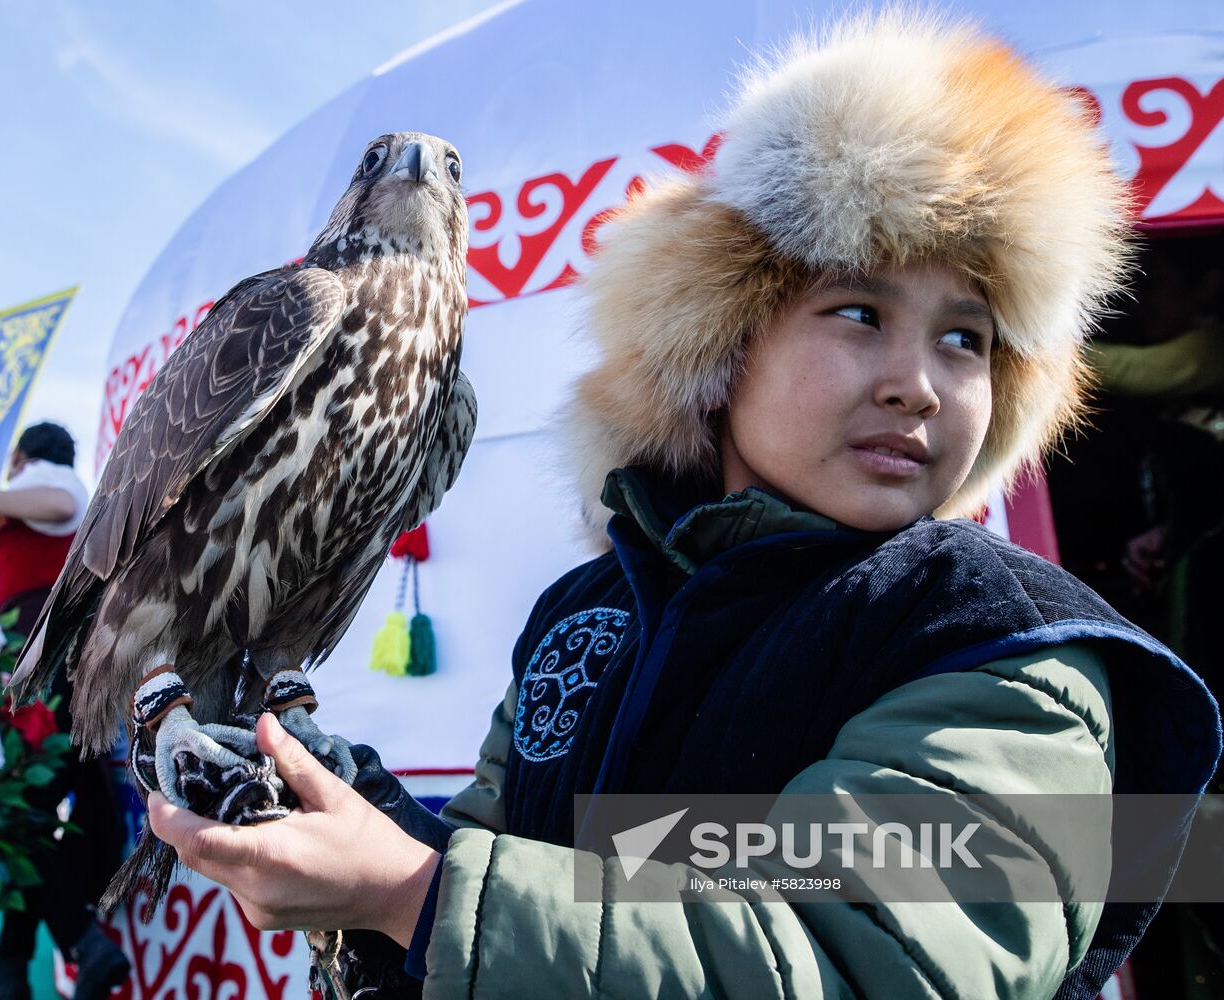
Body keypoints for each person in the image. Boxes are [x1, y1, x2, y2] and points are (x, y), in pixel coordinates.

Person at [145, 12, 1221, 1000]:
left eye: (965, 337)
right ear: (717, 348)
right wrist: (362, 828)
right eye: (857, 311)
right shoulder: (588, 611)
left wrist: (419, 894)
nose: (919, 384)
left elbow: (858, 958)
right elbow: (539, 862)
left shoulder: (1000, 647)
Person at [0, 421, 130, 1000]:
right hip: (48, 660)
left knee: (22, 809)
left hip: (56, 666)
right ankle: (13, 969)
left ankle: (78, 947)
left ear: (22, 456)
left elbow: (63, 500)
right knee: (34, 807)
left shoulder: (52, 483)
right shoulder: (31, 497)